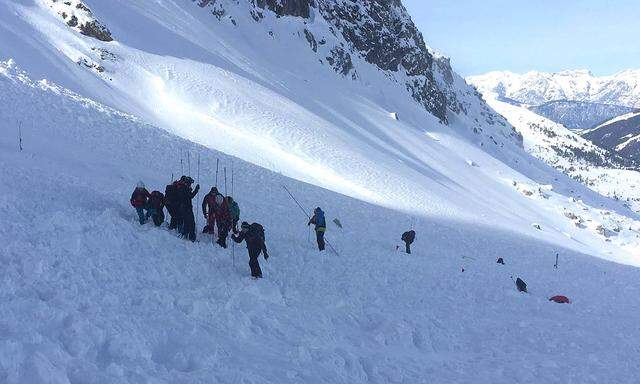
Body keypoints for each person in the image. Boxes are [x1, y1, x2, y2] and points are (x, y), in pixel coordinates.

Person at [177, 176, 200, 242]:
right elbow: (190, 196)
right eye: (190, 183)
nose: (190, 184)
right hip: (187, 208)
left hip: (183, 207)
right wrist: (196, 190)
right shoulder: (185, 188)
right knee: (192, 223)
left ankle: (185, 234)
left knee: (186, 222)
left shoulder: (182, 187)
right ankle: (192, 237)